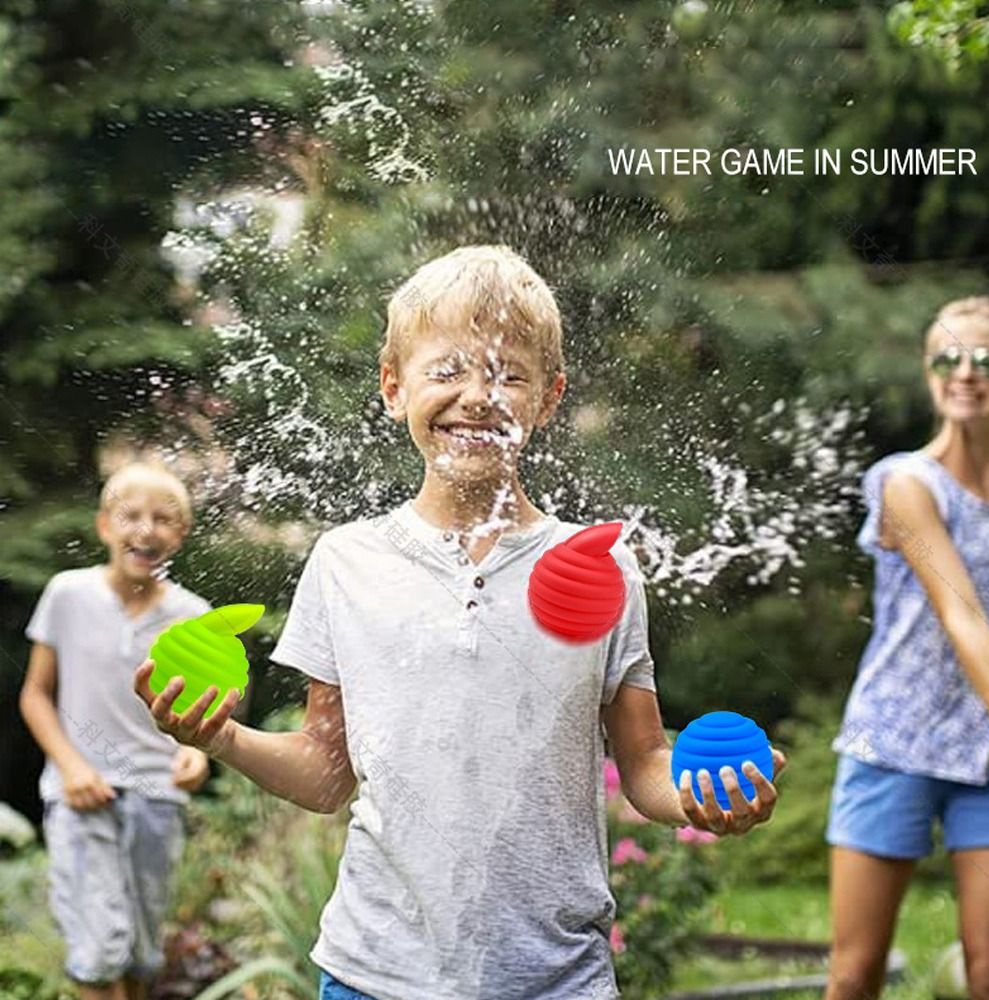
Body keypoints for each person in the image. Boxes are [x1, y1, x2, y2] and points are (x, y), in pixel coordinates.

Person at [133, 244, 787, 1000]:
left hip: (555, 977)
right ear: (392, 385)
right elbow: (324, 773)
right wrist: (219, 737)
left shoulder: (599, 564)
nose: (479, 396)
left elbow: (643, 764)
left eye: (510, 374)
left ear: (549, 398)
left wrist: (703, 800)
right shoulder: (347, 561)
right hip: (375, 973)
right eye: (446, 370)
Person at [824, 296, 989, 1000]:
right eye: (947, 359)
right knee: (855, 972)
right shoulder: (905, 484)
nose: (966, 373)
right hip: (893, 741)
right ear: (928, 373)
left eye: (986, 359)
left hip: (986, 753)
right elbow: (962, 617)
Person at [19, 461, 212, 1000]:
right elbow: (35, 695)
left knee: (139, 957)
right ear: (105, 525)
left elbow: (199, 719)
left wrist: (197, 756)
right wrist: (71, 765)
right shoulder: (67, 594)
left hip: (157, 797)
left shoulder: (194, 617)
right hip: (82, 794)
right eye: (130, 516)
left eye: (163, 519)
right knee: (99, 953)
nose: (145, 530)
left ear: (181, 535)